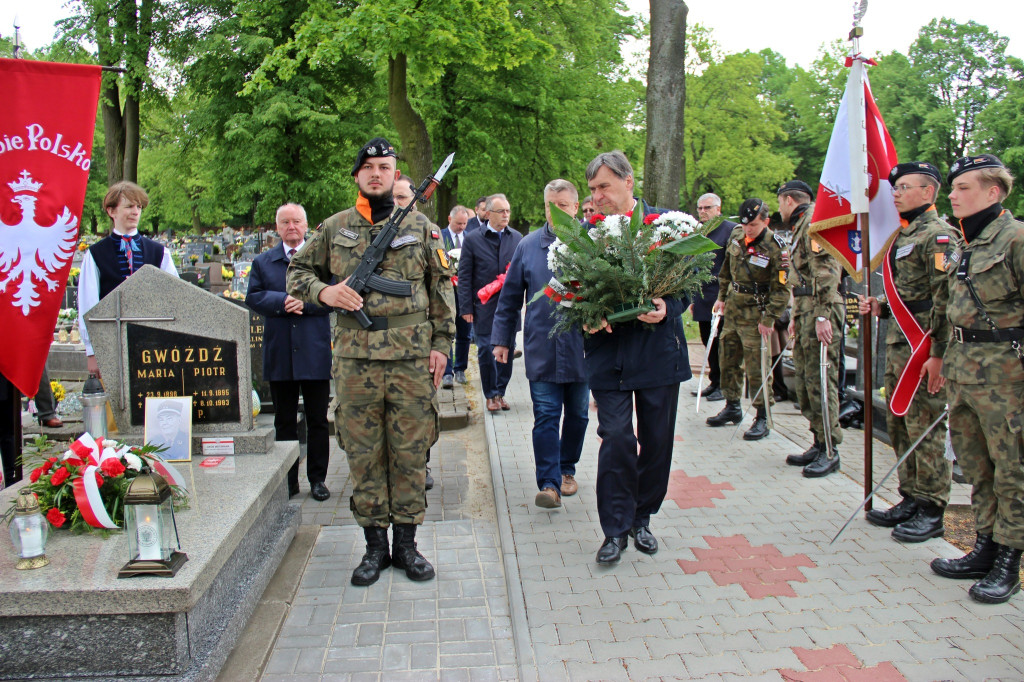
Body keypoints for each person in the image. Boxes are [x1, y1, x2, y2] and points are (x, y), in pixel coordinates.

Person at [287, 137, 454, 587]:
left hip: (411, 361)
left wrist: (442, 345)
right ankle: (374, 547)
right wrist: (325, 292)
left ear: (395, 173)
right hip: (355, 362)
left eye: (385, 166)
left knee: (411, 453)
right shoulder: (334, 228)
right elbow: (297, 272)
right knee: (363, 454)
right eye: (369, 167)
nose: (377, 173)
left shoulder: (422, 228)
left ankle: (407, 544)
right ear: (357, 175)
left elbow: (441, 291)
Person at [582, 151, 691, 564]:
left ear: (629, 182)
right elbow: (570, 294)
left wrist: (668, 305)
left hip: (658, 353)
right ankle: (614, 529)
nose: (597, 197)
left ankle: (641, 517)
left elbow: (690, 282)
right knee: (617, 438)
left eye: (604, 187)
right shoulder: (584, 234)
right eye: (592, 189)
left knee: (657, 441)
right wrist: (587, 318)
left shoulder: (666, 227)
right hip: (608, 356)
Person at [930, 154, 1023, 604]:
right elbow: (948, 308)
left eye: (963, 187)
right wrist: (937, 356)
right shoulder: (967, 242)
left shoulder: (1016, 239)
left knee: (1013, 470)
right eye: (953, 187)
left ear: (993, 192)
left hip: (1007, 378)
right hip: (963, 372)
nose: (953, 194)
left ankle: (1010, 556)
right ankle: (984, 544)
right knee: (976, 467)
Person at [858, 162, 957, 543]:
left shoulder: (939, 237)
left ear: (928, 193)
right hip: (899, 341)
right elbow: (909, 294)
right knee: (900, 422)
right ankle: (911, 496)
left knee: (924, 426)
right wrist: (880, 304)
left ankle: (932, 507)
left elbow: (944, 299)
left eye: (903, 187)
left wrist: (939, 353)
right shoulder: (905, 235)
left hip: (924, 346)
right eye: (895, 187)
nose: (895, 193)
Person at [491, 179, 589, 509]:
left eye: (563, 205)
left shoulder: (592, 243)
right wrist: (503, 340)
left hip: (583, 349)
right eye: (550, 205)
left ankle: (567, 469)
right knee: (546, 415)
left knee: (578, 415)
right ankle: (549, 484)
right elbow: (508, 299)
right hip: (542, 347)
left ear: (575, 207)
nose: (556, 211)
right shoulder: (529, 246)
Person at [246, 203, 333, 502]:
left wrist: (306, 304)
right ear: (277, 227)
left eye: (297, 221)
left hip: (314, 351)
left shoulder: (321, 260)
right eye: (285, 222)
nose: (291, 227)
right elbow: (253, 296)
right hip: (280, 351)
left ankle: (318, 479)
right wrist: (282, 301)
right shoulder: (264, 262)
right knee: (284, 420)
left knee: (317, 419)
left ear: (306, 225)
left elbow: (334, 295)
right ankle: (288, 479)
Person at [705, 198, 789, 440]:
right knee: (728, 359)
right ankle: (732, 406)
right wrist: (721, 297)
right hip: (733, 308)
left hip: (757, 313)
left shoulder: (776, 246)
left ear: (766, 221)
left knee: (757, 367)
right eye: (745, 224)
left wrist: (770, 318)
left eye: (753, 224)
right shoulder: (736, 236)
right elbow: (725, 271)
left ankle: (763, 416)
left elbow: (782, 288)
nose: (748, 229)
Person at [78, 182, 179, 377]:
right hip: (111, 342)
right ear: (111, 211)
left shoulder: (159, 252)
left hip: (153, 341)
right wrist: (92, 350)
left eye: (139, 207)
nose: (135, 212)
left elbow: (174, 294)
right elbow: (88, 304)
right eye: (129, 206)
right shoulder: (95, 254)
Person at [780, 179, 843, 477]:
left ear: (789, 200)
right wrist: (797, 313)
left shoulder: (815, 222)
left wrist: (822, 316)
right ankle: (818, 440)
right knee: (806, 380)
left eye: (780, 202)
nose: (779, 208)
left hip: (821, 308)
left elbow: (827, 270)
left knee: (821, 378)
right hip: (806, 307)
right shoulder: (802, 225)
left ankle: (831, 448)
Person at [458, 194, 522, 412]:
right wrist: (466, 307)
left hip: (509, 307)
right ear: (488, 214)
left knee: (507, 350)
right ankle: (490, 394)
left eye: (508, 211)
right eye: (501, 211)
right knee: (486, 350)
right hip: (483, 306)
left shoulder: (517, 238)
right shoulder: (473, 239)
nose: (506, 215)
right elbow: (464, 276)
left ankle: (501, 393)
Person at [690, 192, 739, 402]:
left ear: (718, 209)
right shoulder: (699, 232)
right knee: (707, 340)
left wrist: (727, 297)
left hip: (721, 296)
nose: (702, 212)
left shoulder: (730, 230)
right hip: (703, 296)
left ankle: (725, 386)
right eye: (700, 208)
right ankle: (714, 380)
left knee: (721, 342)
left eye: (707, 208)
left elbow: (732, 266)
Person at [441, 206, 472, 389]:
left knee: (465, 333)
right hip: (446, 293)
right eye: (458, 223)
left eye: (464, 223)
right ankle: (446, 372)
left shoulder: (470, 238)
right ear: (449, 219)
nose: (461, 227)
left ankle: (460, 368)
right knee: (446, 332)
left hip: (465, 294)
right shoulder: (439, 236)